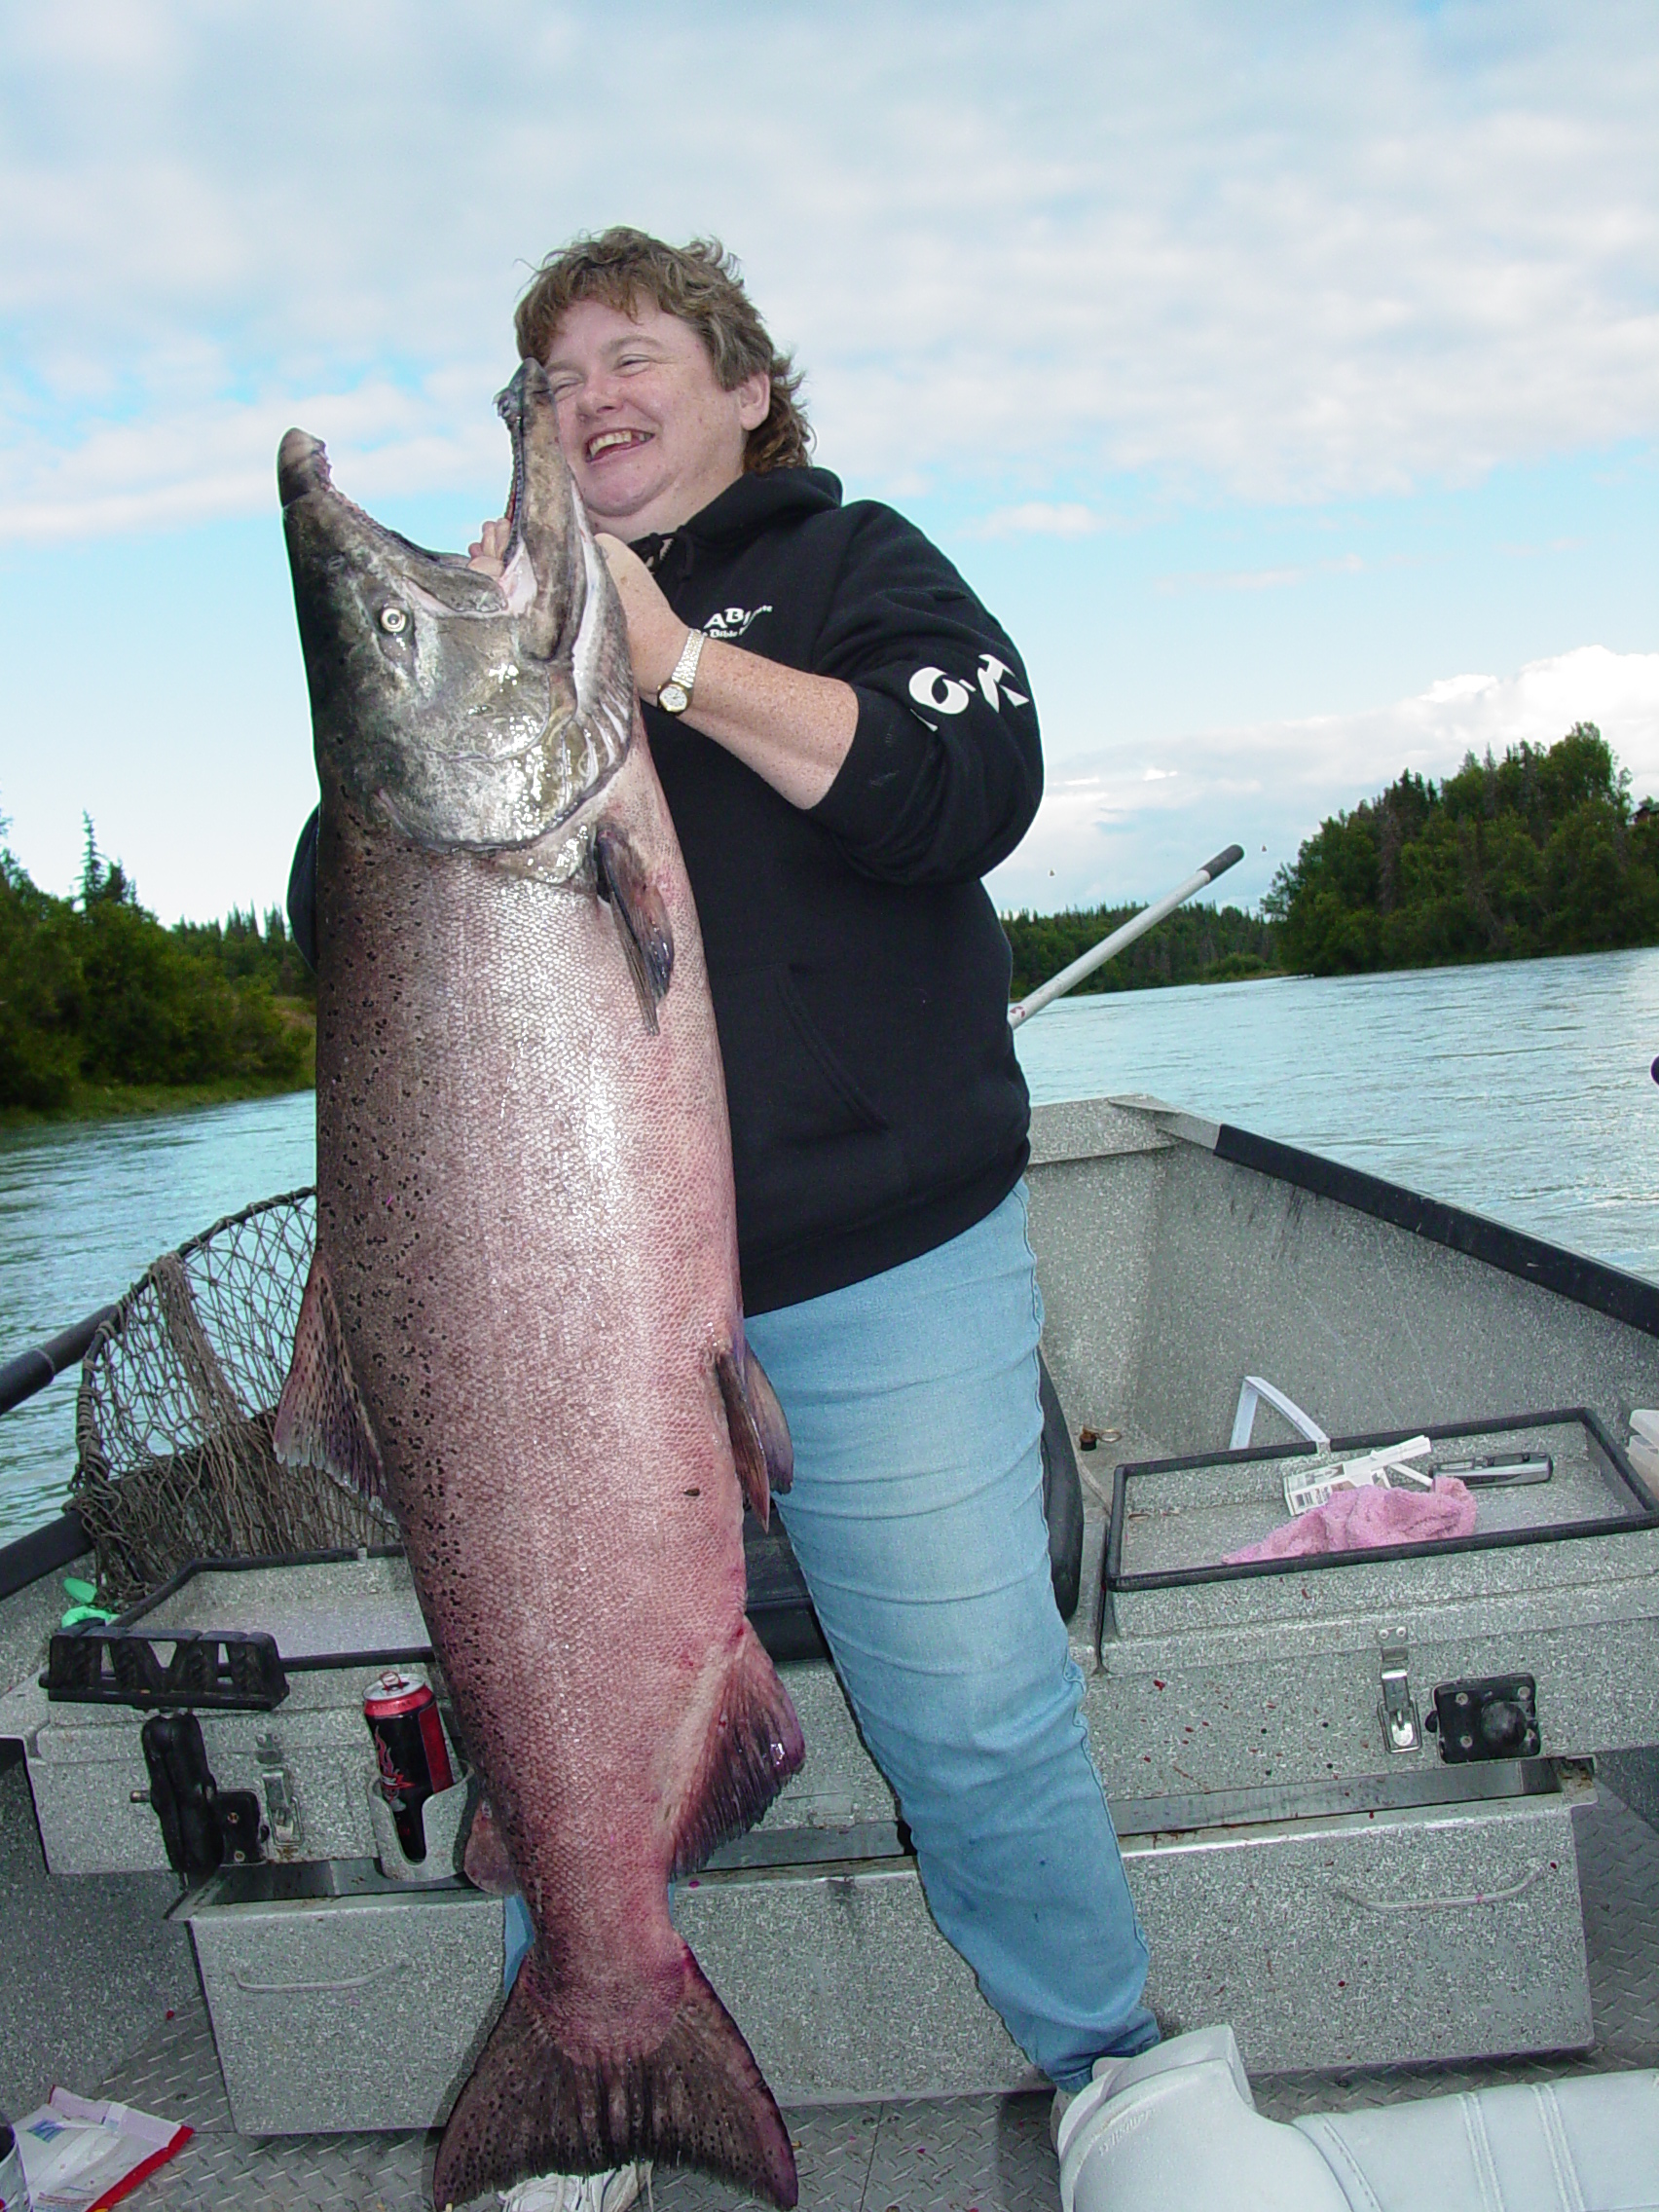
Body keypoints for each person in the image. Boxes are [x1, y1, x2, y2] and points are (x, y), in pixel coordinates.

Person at [289, 228, 1155, 2212]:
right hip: (546, 1335)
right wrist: (488, 698)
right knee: (557, 1707)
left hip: (883, 1275)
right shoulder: (505, 651)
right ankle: (582, 2076)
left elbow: (970, 776)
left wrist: (663, 653)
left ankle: (1113, 2069)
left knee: (978, 1710)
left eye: (636, 348)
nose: (591, 387)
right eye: (551, 367)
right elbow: (352, 939)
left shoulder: (855, 571)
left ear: (746, 385)